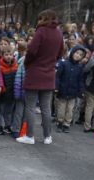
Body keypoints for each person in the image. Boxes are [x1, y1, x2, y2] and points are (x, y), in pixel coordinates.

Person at [16, 9, 64, 145]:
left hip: (35, 72)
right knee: (46, 107)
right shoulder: (59, 33)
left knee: (30, 106)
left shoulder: (41, 31)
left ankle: (30, 136)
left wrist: (27, 63)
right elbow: (60, 53)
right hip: (49, 74)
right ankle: (47, 136)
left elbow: (31, 51)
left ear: (44, 18)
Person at [55, 45, 86, 133]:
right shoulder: (64, 63)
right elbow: (58, 77)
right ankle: (60, 122)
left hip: (73, 91)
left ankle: (66, 124)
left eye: (80, 55)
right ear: (73, 52)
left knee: (70, 109)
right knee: (61, 108)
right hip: (63, 90)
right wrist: (56, 87)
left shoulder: (80, 67)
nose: (77, 55)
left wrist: (81, 90)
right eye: (76, 53)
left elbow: (80, 80)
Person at [0, 46, 18, 135]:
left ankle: (7, 125)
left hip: (12, 92)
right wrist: (1, 88)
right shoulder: (0, 66)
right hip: (3, 92)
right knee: (0, 110)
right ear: (2, 55)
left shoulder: (16, 65)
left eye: (10, 54)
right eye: (6, 55)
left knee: (9, 110)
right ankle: (0, 126)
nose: (8, 56)